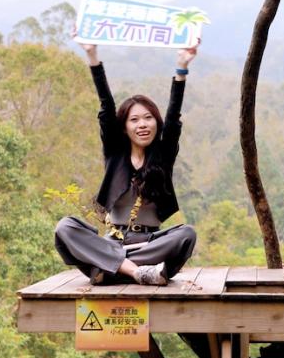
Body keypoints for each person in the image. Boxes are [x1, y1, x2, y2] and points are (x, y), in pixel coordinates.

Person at [54, 39, 199, 286]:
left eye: (148, 118)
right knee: (65, 228)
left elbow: (174, 117)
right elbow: (106, 107)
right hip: (112, 241)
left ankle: (109, 268)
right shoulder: (115, 153)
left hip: (149, 244)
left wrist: (182, 68)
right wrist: (92, 56)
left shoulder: (162, 156)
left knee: (186, 234)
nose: (142, 124)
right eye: (134, 120)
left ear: (156, 123)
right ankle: (136, 272)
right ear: (124, 127)